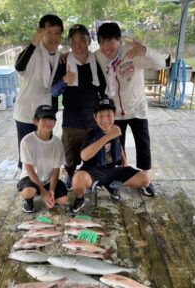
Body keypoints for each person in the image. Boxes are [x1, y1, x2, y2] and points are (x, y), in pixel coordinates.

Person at [95, 22, 165, 196]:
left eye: (110, 41)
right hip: (116, 112)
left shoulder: (133, 53)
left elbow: (162, 63)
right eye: (102, 42)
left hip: (137, 109)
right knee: (117, 146)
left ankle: (145, 179)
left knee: (143, 145)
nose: (106, 47)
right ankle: (117, 178)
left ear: (119, 40)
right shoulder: (99, 55)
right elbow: (83, 57)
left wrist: (145, 50)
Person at [70, 98, 150, 213]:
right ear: (95, 117)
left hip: (113, 170)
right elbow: (84, 156)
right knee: (77, 180)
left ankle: (112, 185)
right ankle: (79, 199)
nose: (105, 120)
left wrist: (125, 162)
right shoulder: (91, 134)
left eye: (109, 115)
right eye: (101, 116)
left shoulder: (115, 129)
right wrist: (108, 136)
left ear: (114, 115)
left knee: (145, 179)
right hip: (94, 171)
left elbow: (119, 145)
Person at [52, 24, 106, 190]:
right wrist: (64, 81)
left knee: (93, 155)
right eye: (73, 42)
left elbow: (103, 91)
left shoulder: (96, 62)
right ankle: (70, 175)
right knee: (70, 157)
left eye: (82, 40)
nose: (78, 46)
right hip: (71, 120)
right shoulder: (63, 62)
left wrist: (106, 118)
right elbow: (53, 92)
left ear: (89, 41)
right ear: (69, 44)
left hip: (92, 120)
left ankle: (90, 177)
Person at [14, 14, 64, 169]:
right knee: (27, 153)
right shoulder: (33, 52)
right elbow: (19, 67)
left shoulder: (59, 56)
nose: (53, 37)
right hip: (27, 113)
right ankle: (27, 185)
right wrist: (33, 43)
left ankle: (43, 180)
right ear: (41, 33)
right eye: (49, 33)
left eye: (57, 33)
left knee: (43, 151)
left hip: (45, 114)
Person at [17, 105, 68, 213]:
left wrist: (52, 190)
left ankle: (49, 196)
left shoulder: (57, 142)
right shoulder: (27, 141)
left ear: (55, 122)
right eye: (44, 119)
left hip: (49, 179)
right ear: (35, 121)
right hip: (31, 178)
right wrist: (44, 191)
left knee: (63, 200)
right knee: (28, 192)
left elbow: (56, 170)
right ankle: (28, 200)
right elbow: (29, 169)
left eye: (51, 119)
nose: (48, 123)